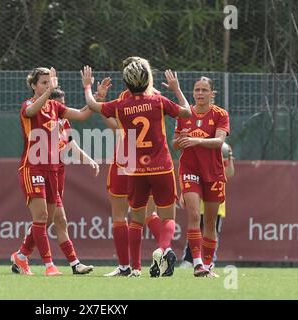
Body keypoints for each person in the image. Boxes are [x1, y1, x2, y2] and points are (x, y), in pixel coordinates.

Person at [82, 59, 192, 278]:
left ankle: (134, 267)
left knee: (136, 218)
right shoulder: (158, 99)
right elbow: (186, 112)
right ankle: (160, 250)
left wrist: (88, 87)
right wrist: (178, 89)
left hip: (135, 168)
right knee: (165, 216)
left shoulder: (123, 104)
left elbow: (95, 108)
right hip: (160, 166)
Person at [13, 67, 99, 276]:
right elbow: (32, 112)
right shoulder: (28, 105)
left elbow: (82, 114)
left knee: (55, 219)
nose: (47, 85)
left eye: (49, 82)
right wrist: (47, 92)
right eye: (42, 82)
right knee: (42, 216)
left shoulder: (55, 107)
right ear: (34, 85)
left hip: (53, 170)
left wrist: (94, 93)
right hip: (32, 167)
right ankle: (49, 265)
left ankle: (22, 256)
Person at [101, 57, 163, 278]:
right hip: (152, 162)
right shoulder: (157, 98)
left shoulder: (124, 99)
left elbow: (117, 127)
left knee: (120, 216)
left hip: (125, 159)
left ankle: (128, 267)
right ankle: (164, 250)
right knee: (148, 214)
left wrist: (98, 100)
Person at [173, 76, 230, 277]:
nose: (200, 93)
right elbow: (175, 143)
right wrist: (181, 139)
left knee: (210, 221)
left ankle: (208, 265)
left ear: (212, 93)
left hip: (213, 172)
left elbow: (219, 141)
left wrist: (195, 140)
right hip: (189, 169)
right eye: (197, 89)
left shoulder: (221, 114)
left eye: (204, 90)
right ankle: (197, 263)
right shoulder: (184, 113)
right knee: (194, 215)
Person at [179, 142, 235, 268]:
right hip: (198, 196)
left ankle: (209, 260)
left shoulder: (222, 147)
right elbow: (190, 173)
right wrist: (184, 193)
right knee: (195, 227)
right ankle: (189, 259)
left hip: (215, 196)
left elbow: (229, 173)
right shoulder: (198, 145)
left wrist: (229, 158)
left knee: (212, 228)